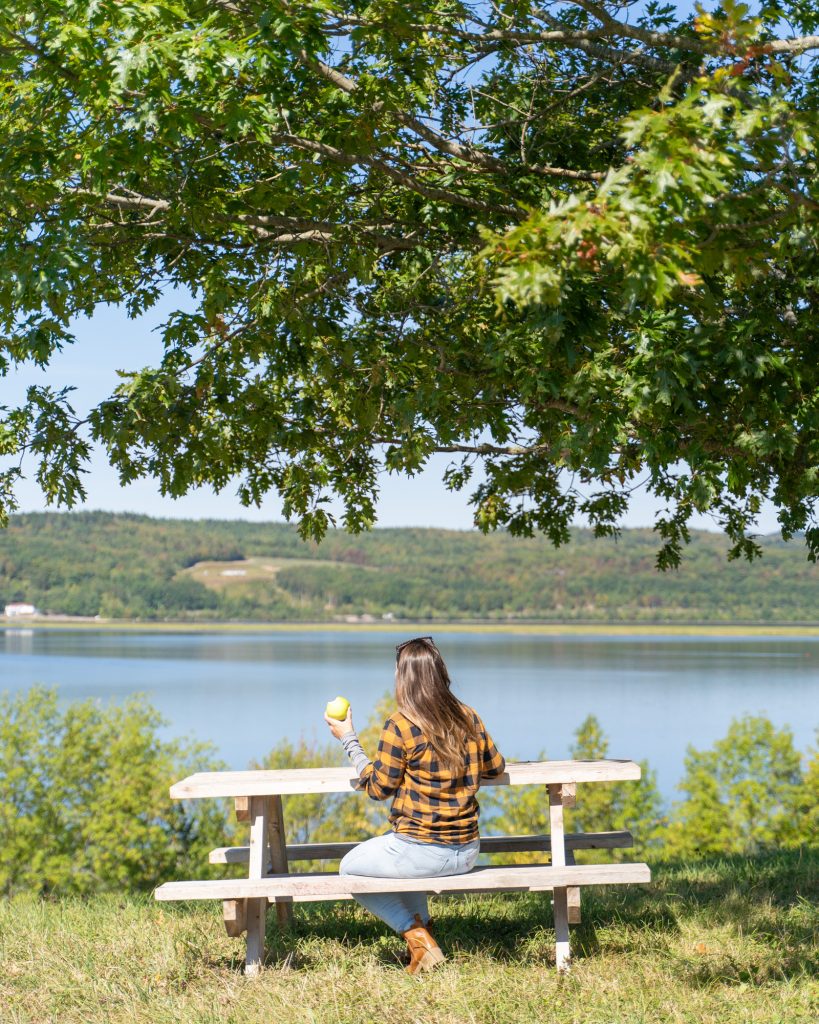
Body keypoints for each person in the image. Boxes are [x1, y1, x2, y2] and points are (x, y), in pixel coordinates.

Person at [323, 636, 506, 974]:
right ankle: (425, 941)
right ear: (439, 674)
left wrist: (348, 739)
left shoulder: (401, 724)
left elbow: (379, 788)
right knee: (399, 856)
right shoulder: (469, 717)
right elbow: (496, 767)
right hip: (467, 852)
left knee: (348, 869)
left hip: (425, 852)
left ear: (403, 678)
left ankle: (417, 937)